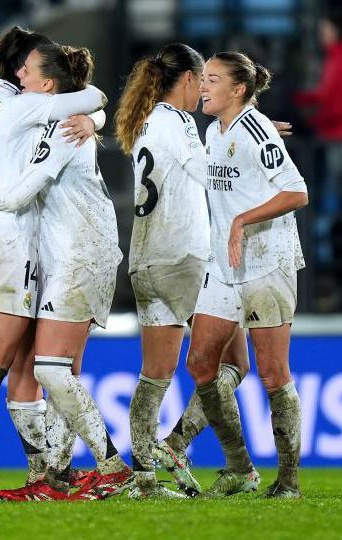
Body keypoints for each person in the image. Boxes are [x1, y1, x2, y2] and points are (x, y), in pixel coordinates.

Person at [0, 27, 107, 502]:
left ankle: (46, 475)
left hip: (16, 243)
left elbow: (26, 147)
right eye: (26, 65)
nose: (27, 71)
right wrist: (96, 116)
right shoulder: (26, 104)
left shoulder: (0, 104)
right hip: (7, 239)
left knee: (24, 370)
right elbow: (92, 96)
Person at [0, 43, 132, 502]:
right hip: (64, 256)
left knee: (51, 369)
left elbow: (25, 189)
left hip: (83, 255)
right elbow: (12, 162)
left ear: (48, 85)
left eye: (29, 68)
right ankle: (53, 478)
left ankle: (112, 466)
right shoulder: (49, 121)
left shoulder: (62, 128)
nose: (19, 72)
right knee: (56, 371)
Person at [112, 42, 249, 499]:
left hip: (145, 260)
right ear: (188, 79)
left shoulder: (148, 121)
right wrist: (248, 146)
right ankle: (176, 443)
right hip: (184, 259)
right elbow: (209, 171)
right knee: (234, 362)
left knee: (154, 374)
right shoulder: (178, 122)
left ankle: (145, 479)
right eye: (202, 81)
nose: (204, 91)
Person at [189, 51, 308, 498]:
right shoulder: (214, 130)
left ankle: (289, 480)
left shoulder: (255, 130)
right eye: (202, 78)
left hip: (266, 259)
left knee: (273, 373)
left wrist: (242, 220)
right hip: (224, 265)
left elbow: (297, 192)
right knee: (201, 364)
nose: (203, 86)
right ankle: (239, 466)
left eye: (212, 79)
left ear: (238, 90)